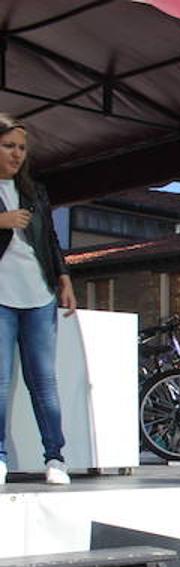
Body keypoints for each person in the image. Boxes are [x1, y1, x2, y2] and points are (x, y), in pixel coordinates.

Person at [0, 115, 77, 486]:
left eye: (21, 148)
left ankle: (55, 457)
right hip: (0, 298)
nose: (16, 154)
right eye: (8, 145)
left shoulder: (36, 191)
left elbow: (50, 240)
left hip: (39, 295)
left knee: (44, 381)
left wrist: (64, 279)